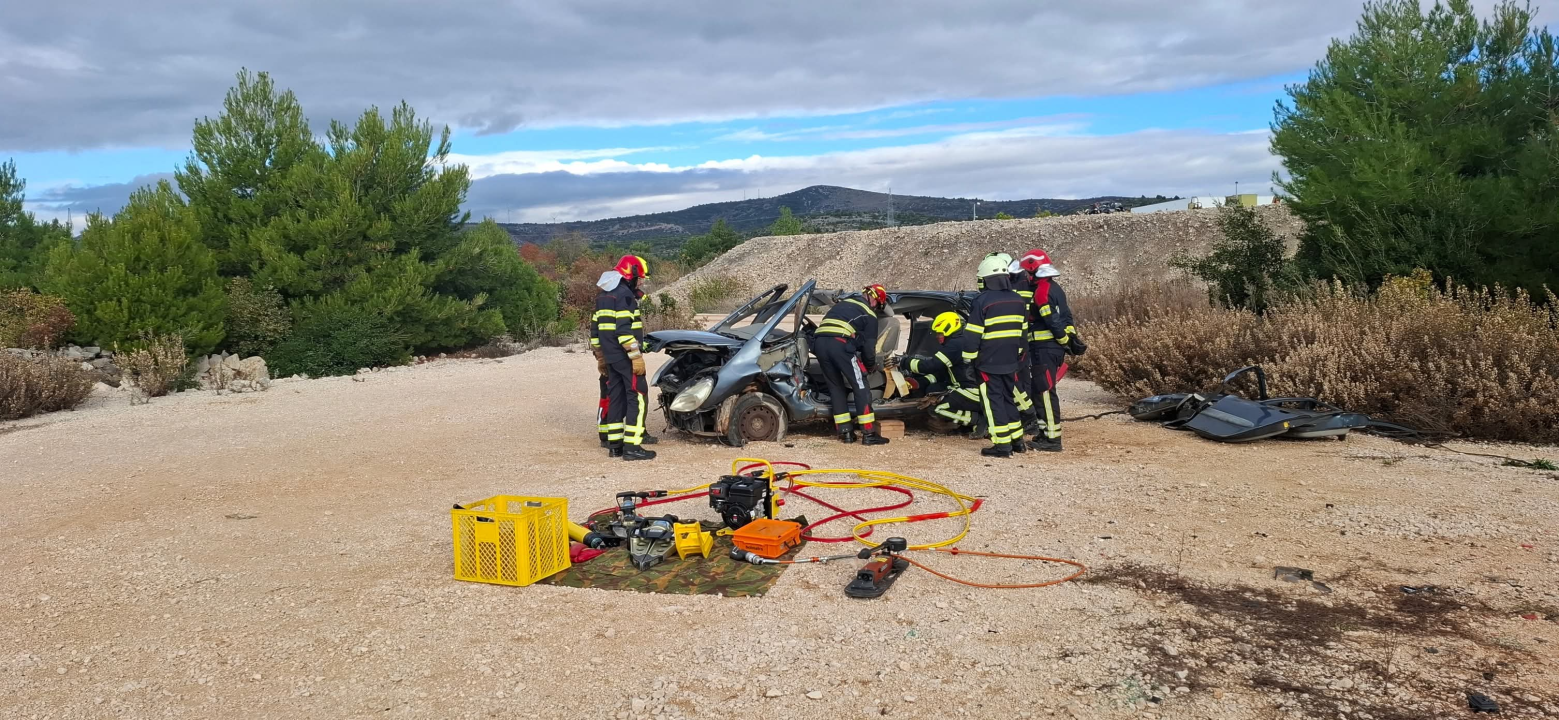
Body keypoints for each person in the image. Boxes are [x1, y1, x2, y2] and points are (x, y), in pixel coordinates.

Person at [1010, 248, 1086, 452]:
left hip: (1043, 349)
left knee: (1044, 392)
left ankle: (1052, 440)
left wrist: (1063, 340)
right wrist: (1070, 339)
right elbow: (1066, 318)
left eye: (1027, 271)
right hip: (1050, 350)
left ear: (1034, 270)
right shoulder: (1056, 288)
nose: (1026, 275)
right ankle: (1044, 433)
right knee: (1040, 391)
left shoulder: (1042, 292)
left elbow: (1052, 321)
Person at [963, 253, 1029, 458]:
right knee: (1009, 397)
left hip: (988, 362)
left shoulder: (982, 301)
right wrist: (1018, 356)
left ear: (987, 279)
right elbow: (1022, 333)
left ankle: (1001, 445)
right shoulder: (1018, 300)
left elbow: (973, 334)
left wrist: (968, 359)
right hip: (1010, 360)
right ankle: (1017, 440)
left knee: (993, 401)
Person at [811, 284, 892, 446]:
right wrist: (870, 367)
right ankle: (869, 433)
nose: (877, 309)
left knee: (835, 387)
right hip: (840, 344)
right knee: (860, 386)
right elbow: (869, 350)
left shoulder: (842, 304)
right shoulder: (869, 314)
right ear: (875, 301)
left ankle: (845, 433)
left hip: (819, 344)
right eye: (878, 306)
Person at [594, 255, 657, 461]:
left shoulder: (604, 294)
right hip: (625, 356)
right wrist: (636, 357)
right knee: (637, 396)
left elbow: (595, 330)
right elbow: (623, 332)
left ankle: (615, 445)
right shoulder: (624, 296)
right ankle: (632, 447)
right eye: (641, 278)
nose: (641, 282)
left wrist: (600, 356)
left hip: (611, 356)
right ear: (632, 274)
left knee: (617, 396)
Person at [900, 311, 983, 433]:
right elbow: (942, 373)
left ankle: (978, 420)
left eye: (939, 333)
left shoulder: (955, 345)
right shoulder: (961, 341)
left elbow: (930, 366)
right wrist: (920, 382)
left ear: (949, 330)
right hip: (968, 387)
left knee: (937, 408)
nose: (937, 336)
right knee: (932, 389)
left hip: (972, 391)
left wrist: (905, 362)